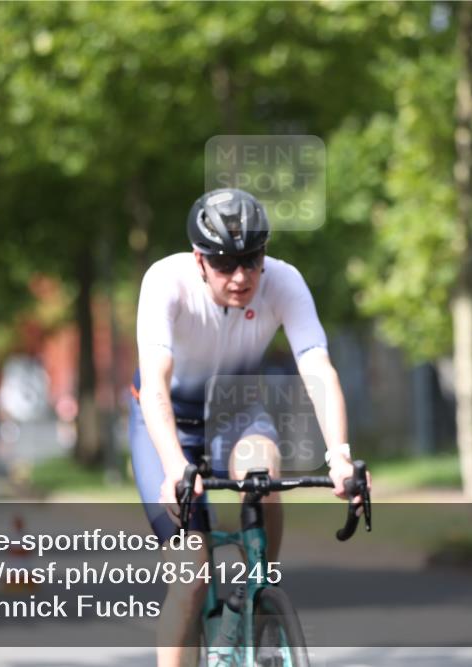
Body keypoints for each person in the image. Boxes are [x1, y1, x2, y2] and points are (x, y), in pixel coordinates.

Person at [129, 188, 367, 667]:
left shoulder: (284, 281)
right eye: (224, 264)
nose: (240, 277)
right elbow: (155, 383)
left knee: (263, 475)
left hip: (235, 412)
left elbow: (317, 370)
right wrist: (175, 466)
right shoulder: (165, 281)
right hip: (167, 421)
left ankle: (261, 589)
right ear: (199, 259)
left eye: (251, 261)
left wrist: (340, 457)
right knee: (191, 579)